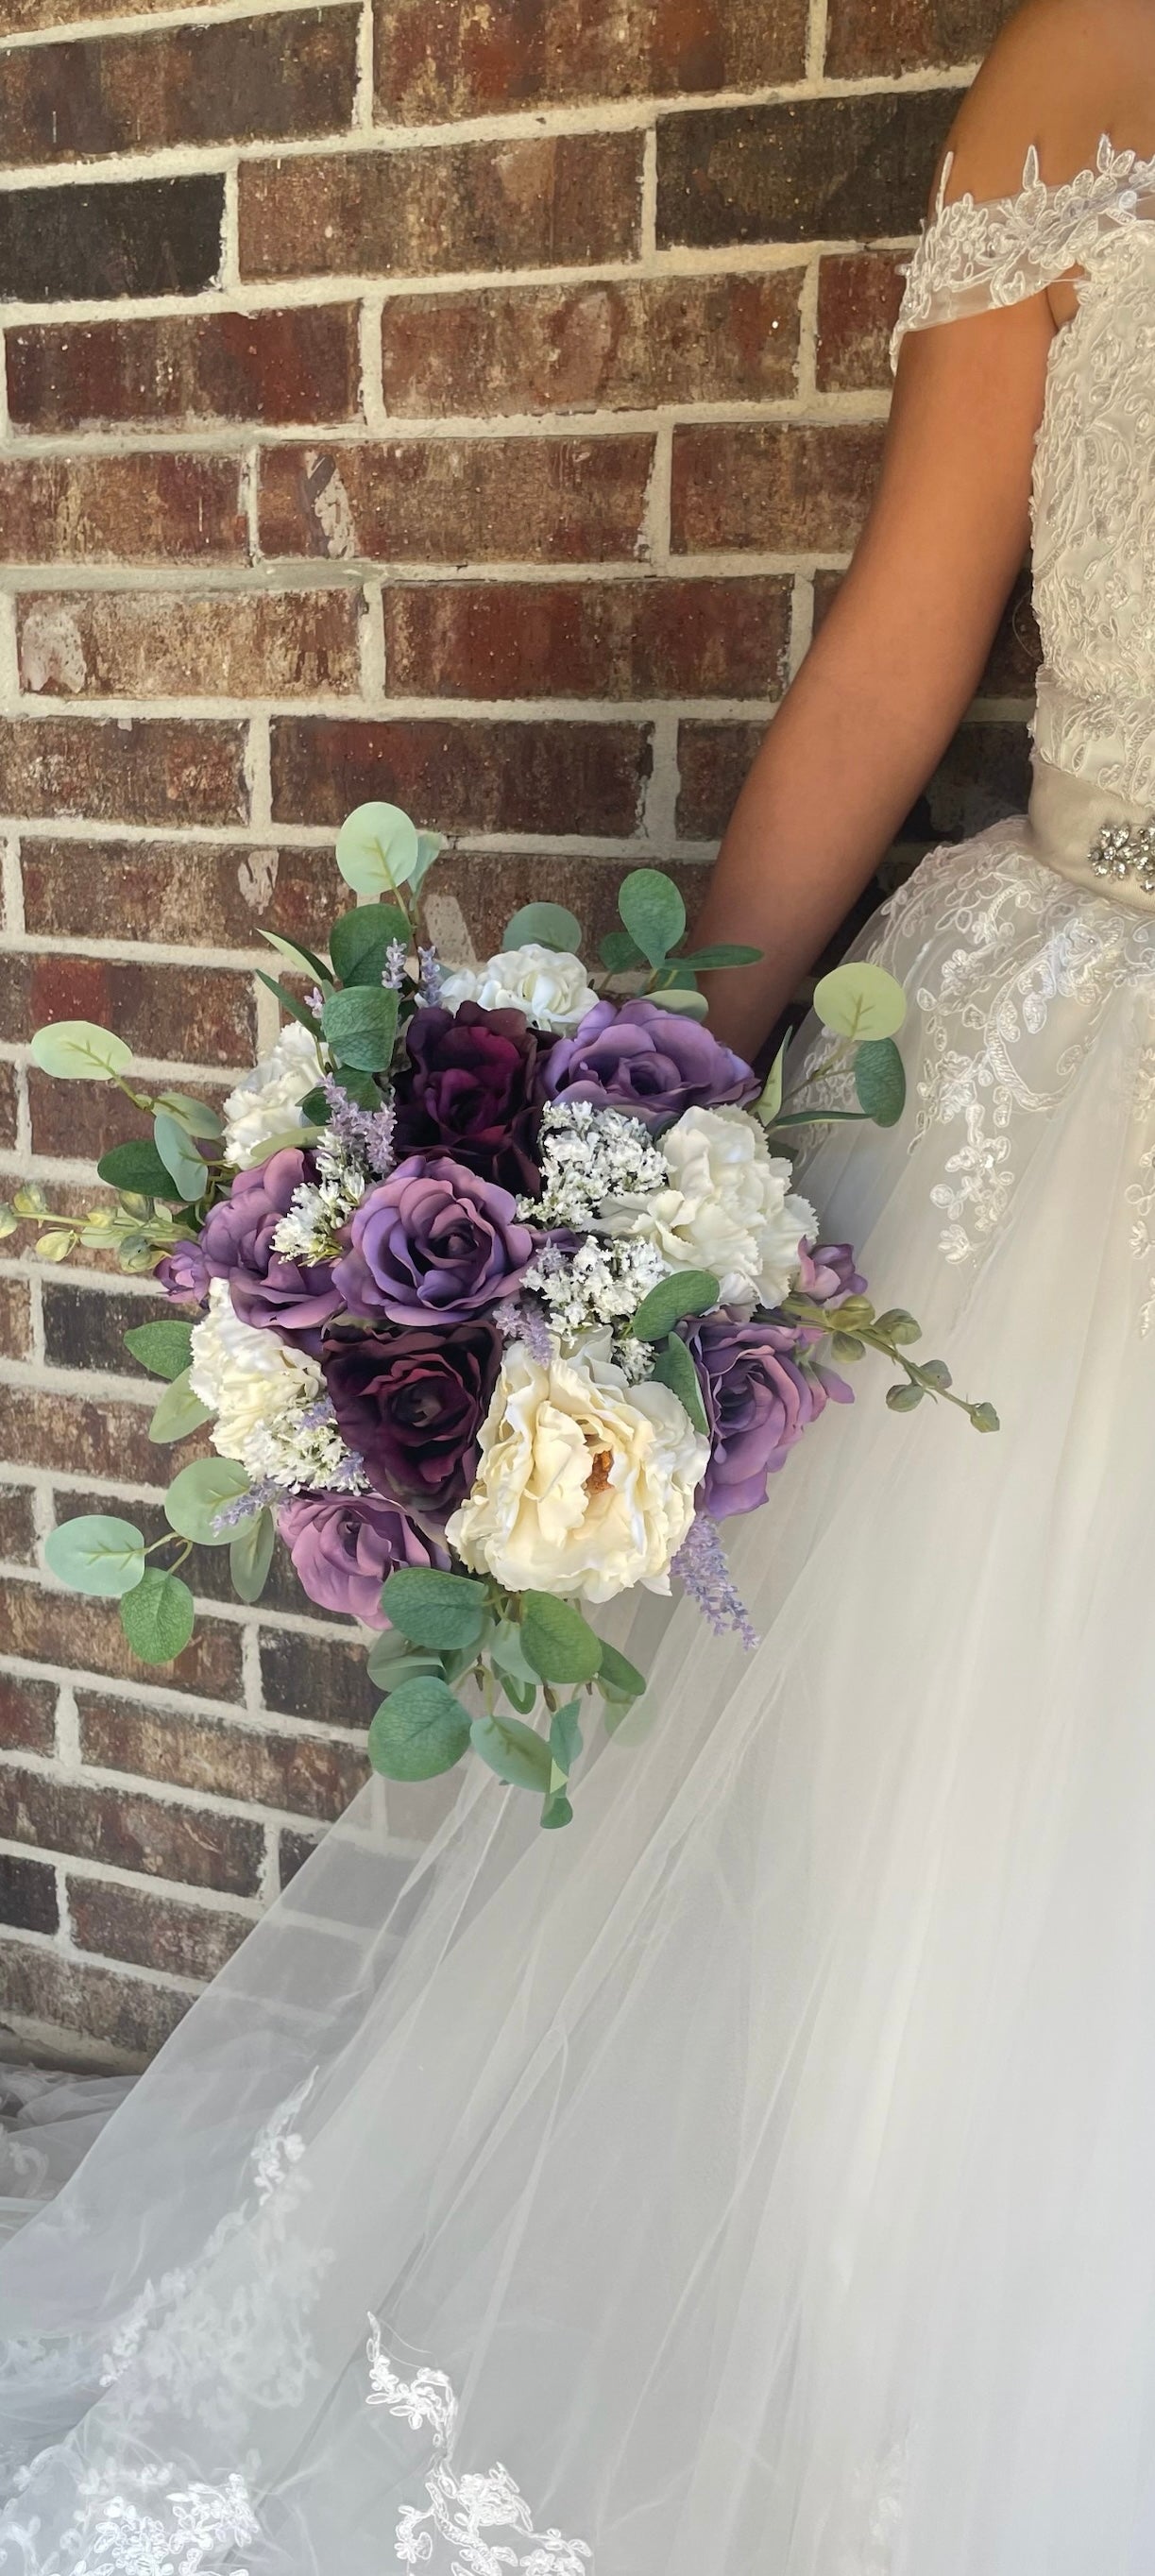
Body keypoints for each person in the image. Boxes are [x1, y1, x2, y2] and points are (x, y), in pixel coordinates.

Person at [5, 0, 1155, 2564]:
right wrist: (604, 1140)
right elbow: (898, 649)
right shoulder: (1083, 71)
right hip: (1062, 1065)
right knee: (953, 1910)